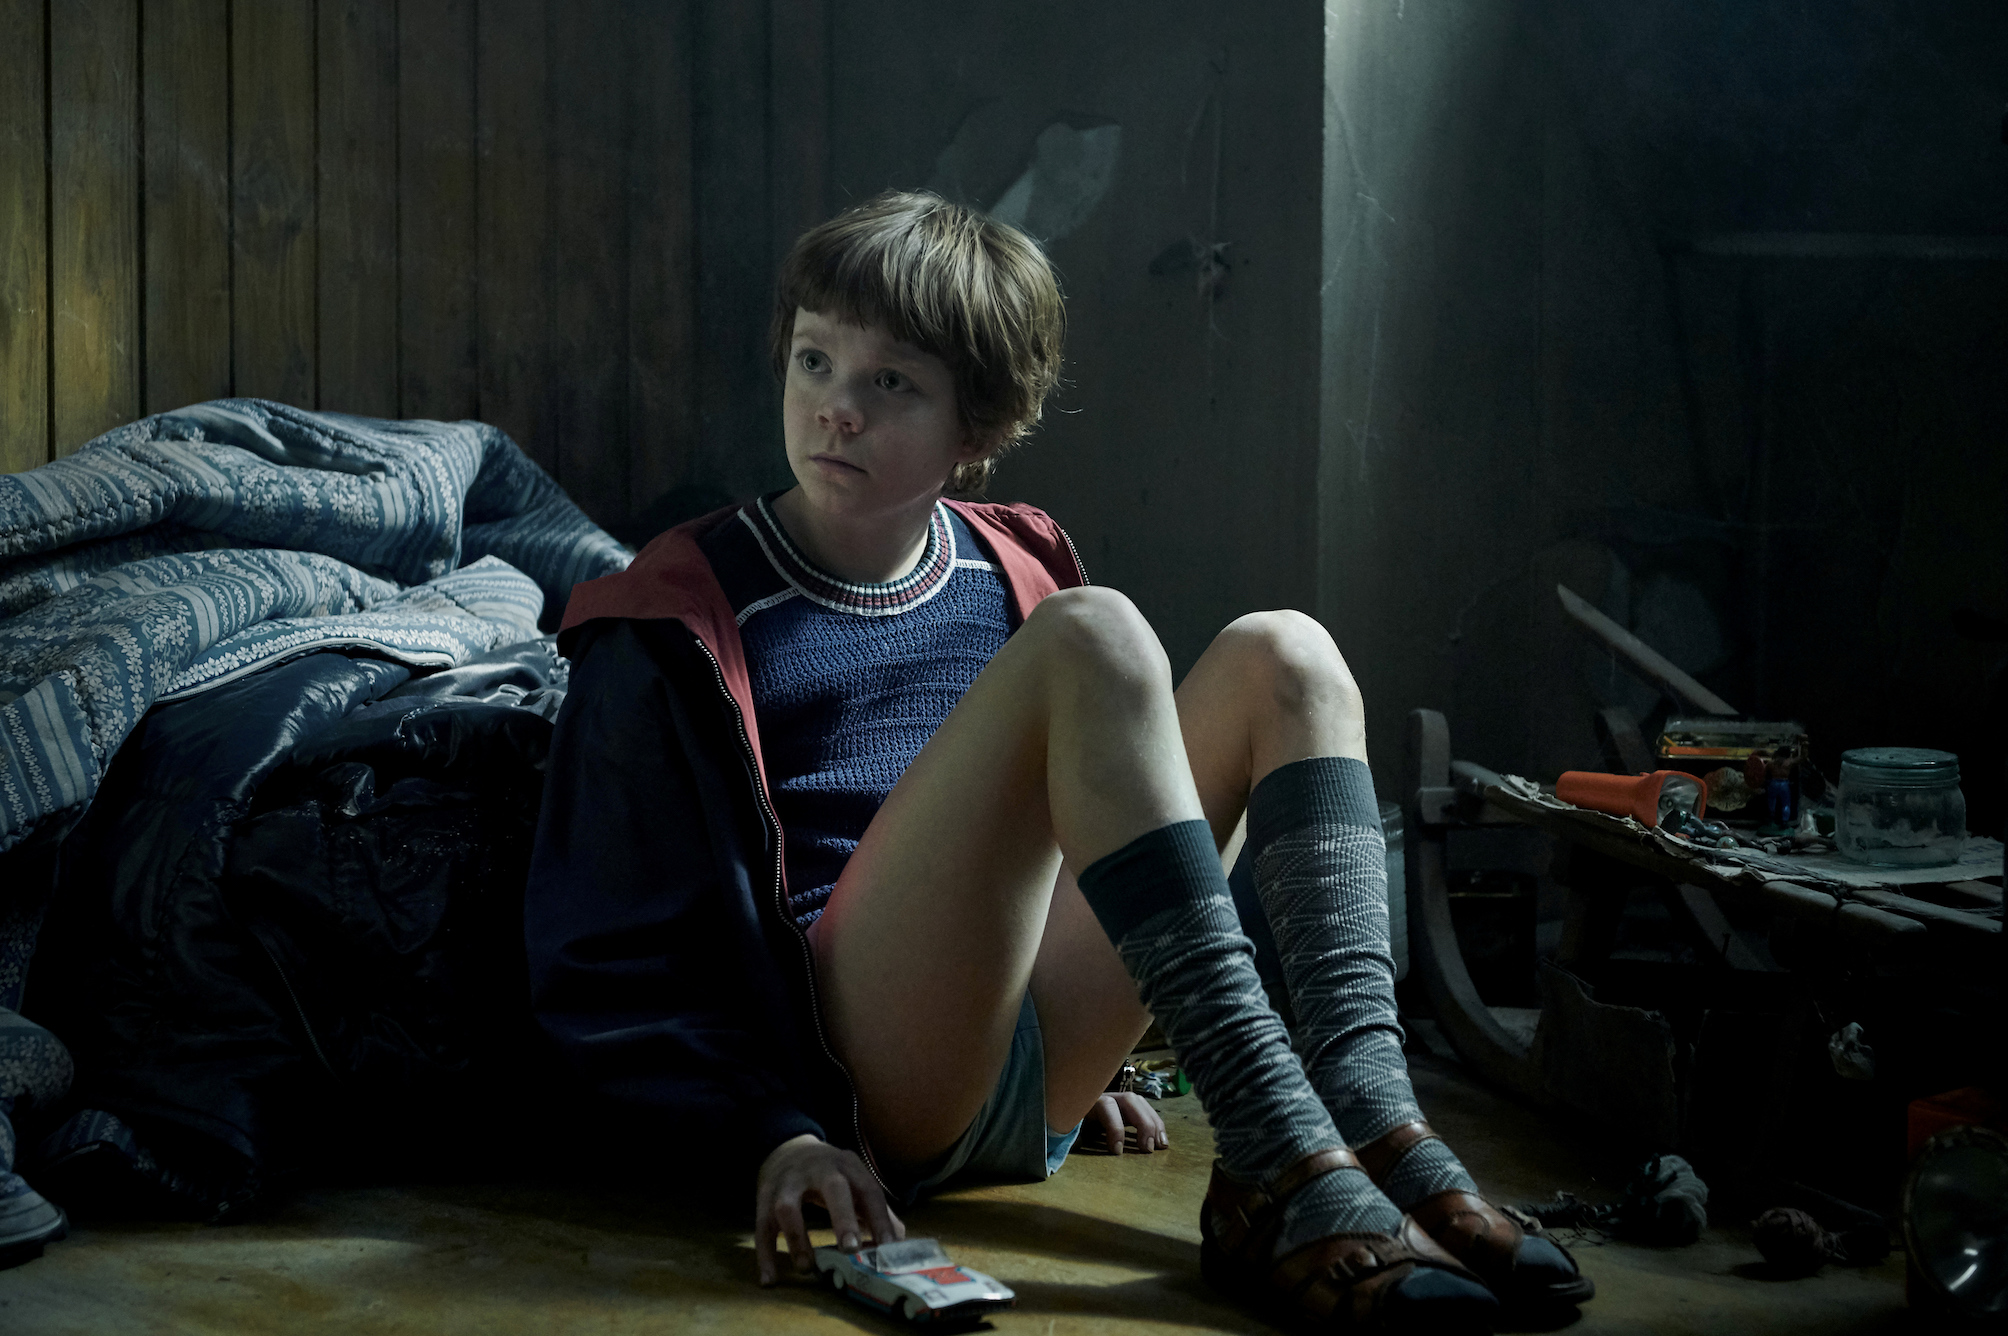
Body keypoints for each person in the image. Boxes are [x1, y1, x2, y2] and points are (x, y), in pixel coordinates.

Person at [525, 191, 1591, 1334]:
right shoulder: (675, 611)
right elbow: (611, 942)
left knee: (1289, 655)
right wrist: (771, 1131)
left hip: (1032, 1056)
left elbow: (1083, 839)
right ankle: (1275, 1141)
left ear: (975, 429)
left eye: (893, 383)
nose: (836, 407)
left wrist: (1106, 1062)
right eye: (815, 360)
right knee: (1096, 633)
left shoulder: (1013, 562)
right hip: (855, 1082)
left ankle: (1375, 1125)